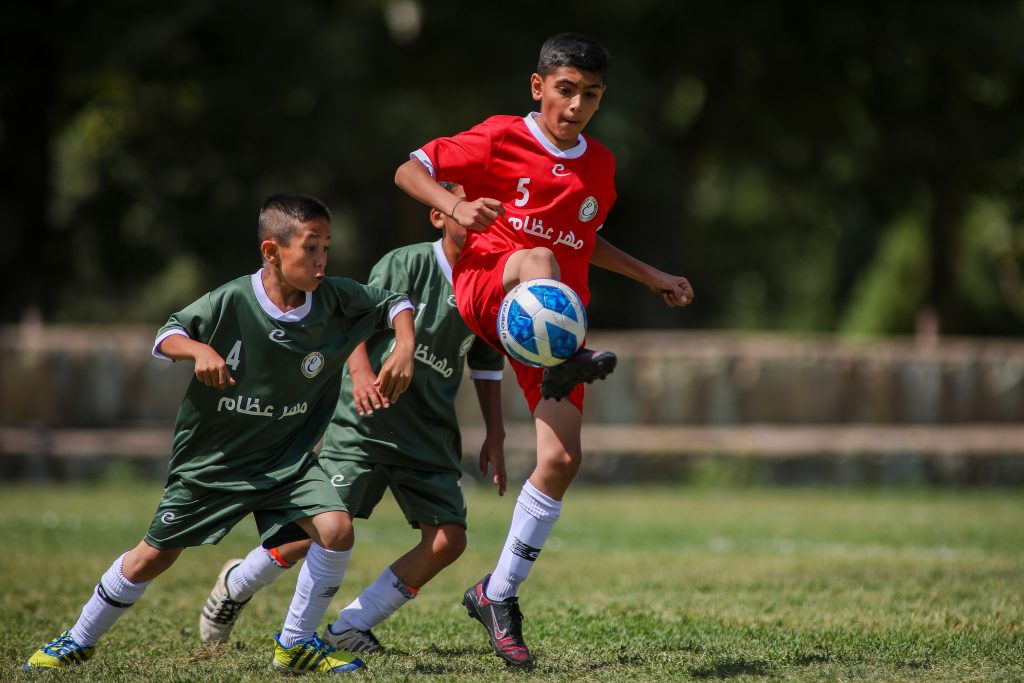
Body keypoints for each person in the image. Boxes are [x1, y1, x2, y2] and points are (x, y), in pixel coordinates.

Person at [394, 33, 695, 668]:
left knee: (561, 460)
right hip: (489, 287)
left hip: (553, 329)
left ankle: (496, 593)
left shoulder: (601, 166)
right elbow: (408, 169)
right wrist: (454, 202)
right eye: (566, 90)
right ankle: (571, 359)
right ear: (539, 87)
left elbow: (587, 244)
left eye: (591, 95)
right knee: (535, 256)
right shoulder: (502, 137)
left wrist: (652, 276)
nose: (577, 104)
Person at [22, 193, 416, 675]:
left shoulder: (334, 298)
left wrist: (404, 345)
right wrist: (197, 352)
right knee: (152, 557)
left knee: (335, 529)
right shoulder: (232, 299)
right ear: (271, 251)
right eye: (310, 248)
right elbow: (165, 335)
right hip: (216, 461)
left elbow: (395, 301)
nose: (321, 261)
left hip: (286, 459)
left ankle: (294, 644)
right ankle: (77, 640)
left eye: (326, 248)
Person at [197, 182, 508, 656]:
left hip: (429, 433)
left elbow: (486, 359)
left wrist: (496, 431)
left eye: (494, 210)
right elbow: (356, 313)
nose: (484, 219)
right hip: (364, 424)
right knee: (313, 534)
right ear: (441, 215)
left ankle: (352, 625)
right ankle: (237, 584)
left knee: (449, 540)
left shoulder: (490, 281)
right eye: (472, 209)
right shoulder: (408, 263)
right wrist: (359, 373)